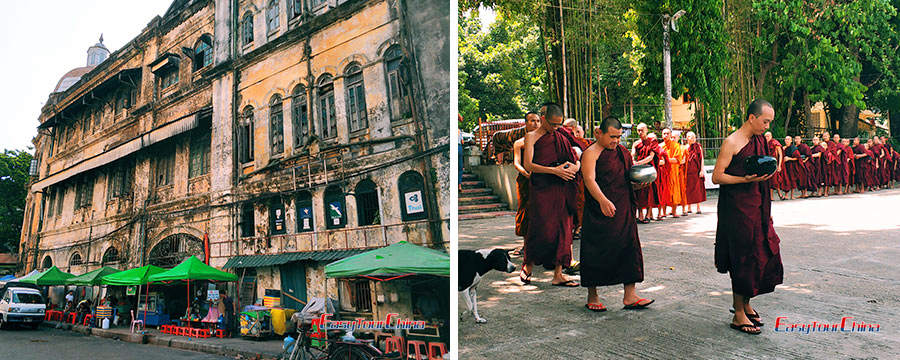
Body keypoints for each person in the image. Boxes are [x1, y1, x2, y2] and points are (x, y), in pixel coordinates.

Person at [712, 99, 784, 335]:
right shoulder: (732, 142)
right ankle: (738, 313)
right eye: (765, 121)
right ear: (752, 118)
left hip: (758, 203)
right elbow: (717, 177)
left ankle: (747, 303)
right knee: (742, 256)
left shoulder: (760, 141)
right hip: (737, 208)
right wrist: (745, 180)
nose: (767, 126)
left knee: (759, 252)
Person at [580, 116, 653, 312]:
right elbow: (589, 179)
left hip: (623, 207)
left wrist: (638, 184)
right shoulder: (591, 153)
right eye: (612, 137)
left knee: (629, 248)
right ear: (599, 133)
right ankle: (592, 295)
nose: (616, 141)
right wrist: (602, 200)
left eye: (619, 137)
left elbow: (627, 178)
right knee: (595, 250)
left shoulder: (622, 152)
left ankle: (630, 295)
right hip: (599, 208)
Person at [522, 103, 580, 287]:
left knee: (563, 229)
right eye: (553, 124)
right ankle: (528, 266)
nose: (556, 128)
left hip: (562, 187)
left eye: (559, 124)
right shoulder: (531, 137)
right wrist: (554, 171)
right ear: (544, 118)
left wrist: (574, 167)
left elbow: (577, 158)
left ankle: (558, 274)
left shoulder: (561, 135)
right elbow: (529, 165)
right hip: (543, 188)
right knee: (540, 227)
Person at [513, 112, 541, 259]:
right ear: (526, 123)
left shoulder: (544, 141)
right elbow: (517, 162)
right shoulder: (519, 142)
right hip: (525, 179)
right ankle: (527, 245)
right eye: (532, 121)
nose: (535, 123)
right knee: (525, 211)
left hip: (542, 179)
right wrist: (526, 173)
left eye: (537, 121)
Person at [632, 123, 660, 223]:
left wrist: (639, 163)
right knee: (639, 192)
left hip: (649, 170)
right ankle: (640, 215)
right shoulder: (636, 143)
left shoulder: (652, 142)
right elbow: (632, 155)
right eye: (638, 130)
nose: (640, 132)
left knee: (649, 192)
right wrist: (633, 162)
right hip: (639, 171)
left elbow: (651, 157)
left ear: (646, 130)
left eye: (642, 130)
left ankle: (648, 215)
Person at [684, 131, 706, 213]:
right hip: (688, 172)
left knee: (697, 190)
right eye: (690, 137)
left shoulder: (698, 147)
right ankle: (689, 207)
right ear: (687, 138)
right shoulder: (685, 148)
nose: (692, 138)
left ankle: (698, 207)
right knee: (688, 189)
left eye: (694, 137)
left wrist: (701, 170)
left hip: (696, 172)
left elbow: (702, 159)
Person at [764, 132, 784, 199]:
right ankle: (771, 197)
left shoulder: (775, 143)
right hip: (767, 164)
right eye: (766, 136)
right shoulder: (764, 144)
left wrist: (779, 165)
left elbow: (780, 154)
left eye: (768, 136)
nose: (767, 138)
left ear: (771, 136)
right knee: (769, 180)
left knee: (775, 180)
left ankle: (780, 194)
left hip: (774, 163)